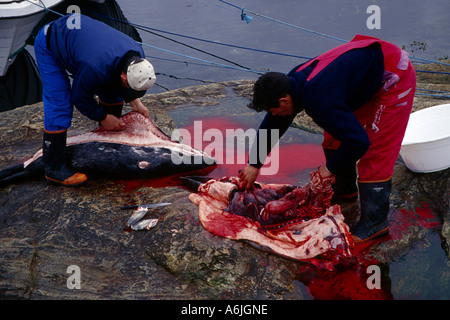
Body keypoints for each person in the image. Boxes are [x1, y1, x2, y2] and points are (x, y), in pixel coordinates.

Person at [239, 34, 416, 243]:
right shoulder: (292, 82)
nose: (274, 115)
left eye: (274, 109)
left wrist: (328, 170)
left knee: (375, 151)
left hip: (392, 74)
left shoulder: (318, 98)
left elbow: (359, 142)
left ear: (284, 100)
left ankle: (375, 224)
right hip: (360, 74)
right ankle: (345, 191)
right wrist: (254, 164)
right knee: (334, 135)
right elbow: (273, 122)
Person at [34, 13, 156, 187]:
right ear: (123, 75)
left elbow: (123, 85)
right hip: (51, 41)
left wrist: (136, 103)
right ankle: (54, 169)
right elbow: (80, 98)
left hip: (82, 36)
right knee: (59, 101)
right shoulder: (93, 67)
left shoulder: (138, 53)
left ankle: (108, 139)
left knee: (111, 91)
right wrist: (103, 117)